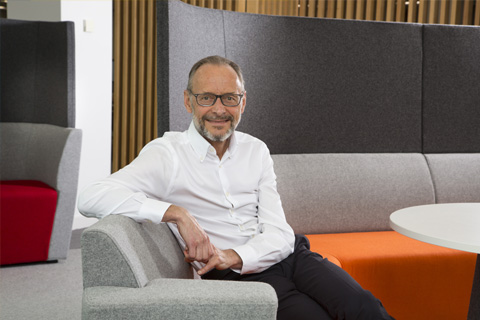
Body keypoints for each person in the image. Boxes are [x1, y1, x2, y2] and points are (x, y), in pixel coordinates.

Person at [78, 55, 393, 320]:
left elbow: (279, 231)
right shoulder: (168, 154)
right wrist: (176, 214)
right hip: (235, 278)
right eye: (206, 98)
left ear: (243, 102)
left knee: (365, 308)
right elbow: (91, 196)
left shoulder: (255, 150)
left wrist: (237, 254)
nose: (219, 109)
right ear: (188, 101)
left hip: (289, 255)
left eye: (230, 98)